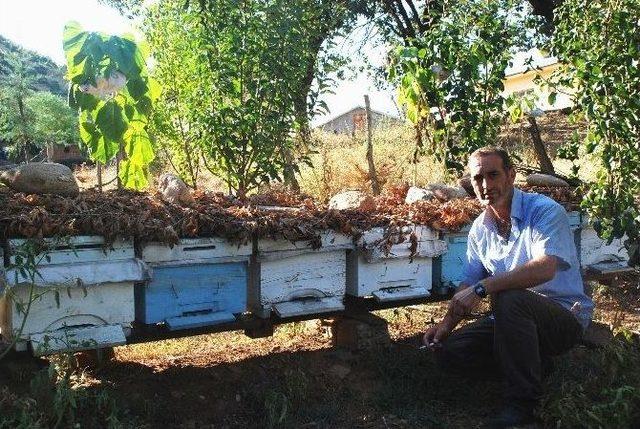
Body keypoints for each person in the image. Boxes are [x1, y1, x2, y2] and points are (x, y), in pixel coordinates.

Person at [423, 147, 593, 428]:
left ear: (511, 175)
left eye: (494, 175)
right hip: (511, 321)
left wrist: (485, 287)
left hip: (563, 318)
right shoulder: (480, 228)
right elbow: (469, 282)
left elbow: (546, 266)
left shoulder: (544, 211)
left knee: (510, 297)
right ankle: (535, 365)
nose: (487, 185)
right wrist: (445, 326)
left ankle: (523, 404)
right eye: (479, 178)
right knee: (451, 353)